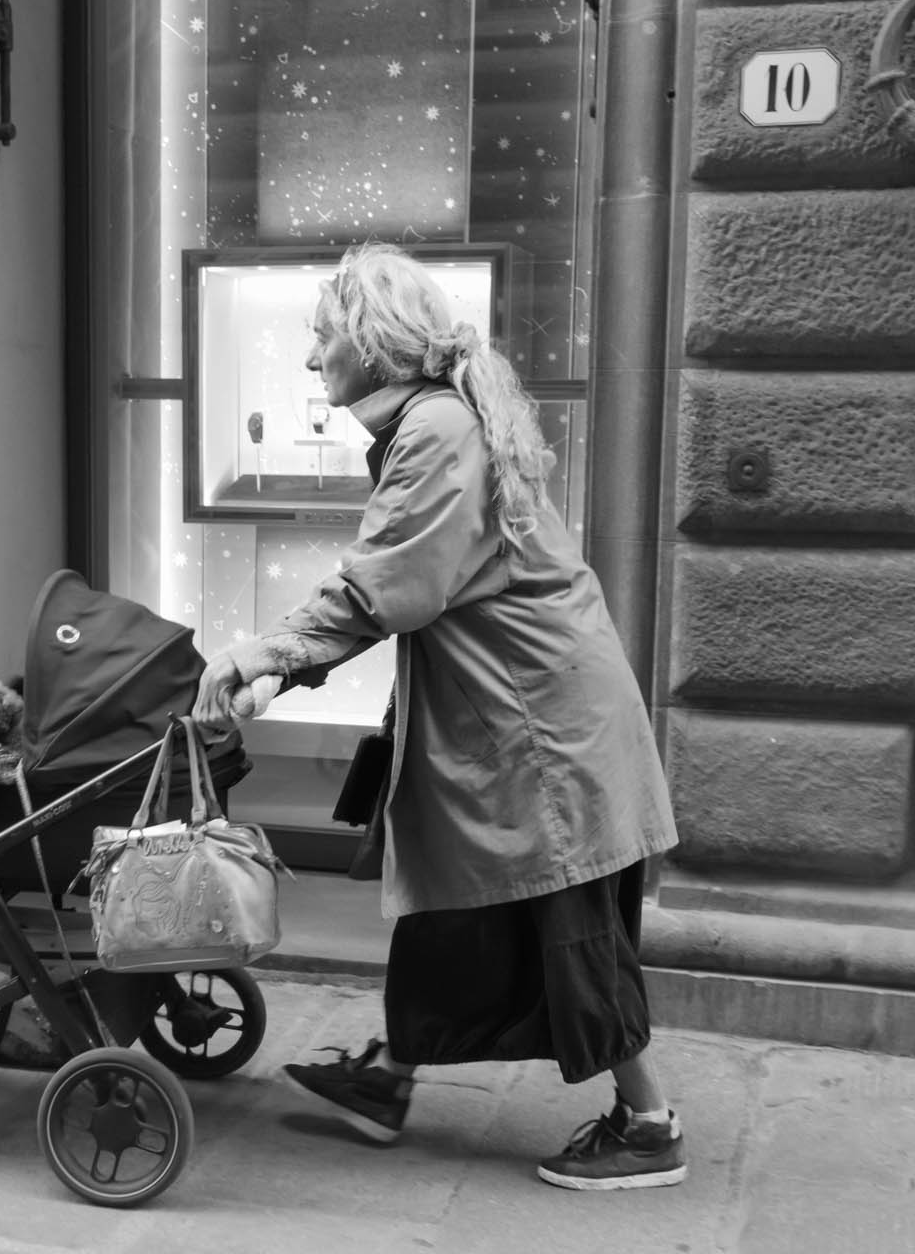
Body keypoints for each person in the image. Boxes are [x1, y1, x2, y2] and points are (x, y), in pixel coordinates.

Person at [194, 242, 684, 1190]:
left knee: (569, 918)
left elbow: (391, 586)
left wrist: (270, 653)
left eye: (321, 337)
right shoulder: (435, 422)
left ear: (371, 345)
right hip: (520, 711)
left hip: (541, 727)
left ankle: (649, 1122)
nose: (308, 359)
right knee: (454, 897)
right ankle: (390, 1075)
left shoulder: (435, 433)